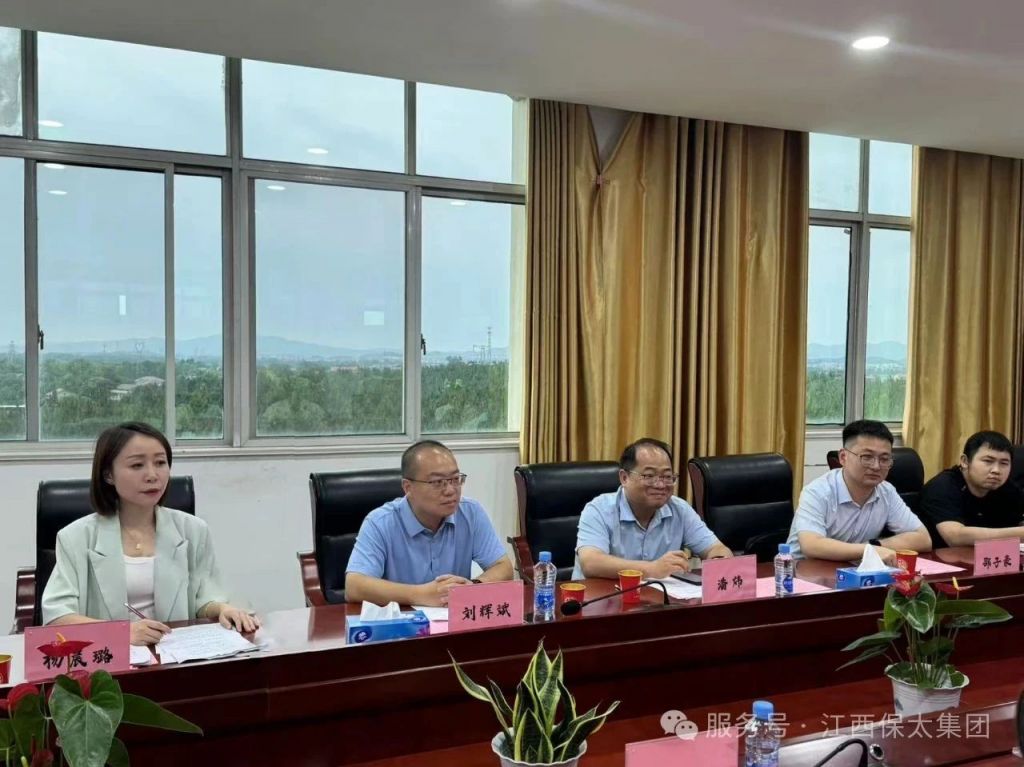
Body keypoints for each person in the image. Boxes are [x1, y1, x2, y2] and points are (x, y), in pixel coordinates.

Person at [42, 422, 257, 646]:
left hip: (176, 654)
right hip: (110, 659)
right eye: (137, 465)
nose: (153, 475)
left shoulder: (193, 530)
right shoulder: (75, 537)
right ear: (108, 475)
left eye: (160, 463)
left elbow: (204, 598)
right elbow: (57, 617)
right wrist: (122, 634)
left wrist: (223, 609)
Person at [345, 440, 513, 606]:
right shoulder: (380, 522)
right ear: (408, 487)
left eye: (455, 479)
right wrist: (419, 594)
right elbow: (354, 586)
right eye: (437, 482)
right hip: (403, 620)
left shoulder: (470, 512)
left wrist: (473, 587)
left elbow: (503, 567)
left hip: (453, 619)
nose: (450, 490)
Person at [573, 438, 732, 580]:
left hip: (659, 600)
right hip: (602, 599)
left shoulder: (680, 509)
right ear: (624, 478)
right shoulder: (599, 509)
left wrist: (719, 562)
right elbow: (591, 563)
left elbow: (716, 548)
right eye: (649, 476)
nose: (660, 485)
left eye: (667, 476)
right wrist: (652, 569)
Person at [787, 420, 931, 564]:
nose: (876, 466)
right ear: (843, 457)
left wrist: (876, 546)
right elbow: (812, 545)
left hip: (851, 570)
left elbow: (923, 539)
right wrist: (868, 550)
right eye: (867, 457)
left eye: (884, 459)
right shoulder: (817, 492)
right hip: (802, 571)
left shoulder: (886, 491)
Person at [919, 430, 1024, 546]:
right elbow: (955, 537)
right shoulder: (942, 487)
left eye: (1004, 463)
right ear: (965, 461)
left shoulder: (1008, 489)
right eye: (988, 461)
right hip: (940, 556)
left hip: (989, 555)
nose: (996, 470)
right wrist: (1019, 534)